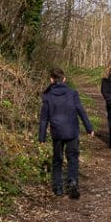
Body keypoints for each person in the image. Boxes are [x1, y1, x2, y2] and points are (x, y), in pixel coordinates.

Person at [38, 68, 94, 199]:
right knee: (72, 157)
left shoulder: (47, 96)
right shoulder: (72, 93)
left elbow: (44, 119)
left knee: (57, 160)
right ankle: (72, 181)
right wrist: (89, 128)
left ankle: (58, 187)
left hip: (57, 132)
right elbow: (81, 110)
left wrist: (41, 137)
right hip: (72, 131)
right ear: (64, 79)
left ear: (51, 80)